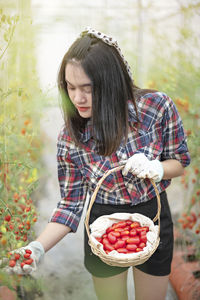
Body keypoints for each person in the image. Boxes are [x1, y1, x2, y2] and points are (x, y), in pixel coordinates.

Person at [6, 27, 190, 300]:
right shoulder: (71, 138)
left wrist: (158, 168)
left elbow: (180, 161)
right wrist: (37, 247)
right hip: (101, 221)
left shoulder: (156, 107)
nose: (77, 98)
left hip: (153, 216)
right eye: (70, 87)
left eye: (87, 89)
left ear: (110, 82)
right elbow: (70, 205)